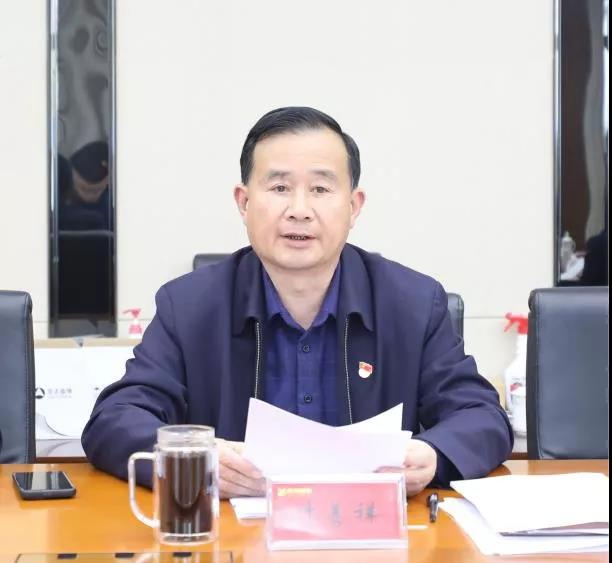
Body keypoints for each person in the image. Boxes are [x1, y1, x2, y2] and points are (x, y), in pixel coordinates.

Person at [82, 107, 513, 498]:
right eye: (280, 187)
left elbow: (481, 415)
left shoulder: (412, 304)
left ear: (353, 206)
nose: (299, 210)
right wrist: (193, 459)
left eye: (321, 188)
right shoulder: (190, 306)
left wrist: (433, 455)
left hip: (371, 534)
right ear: (244, 202)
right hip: (234, 536)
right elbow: (116, 419)